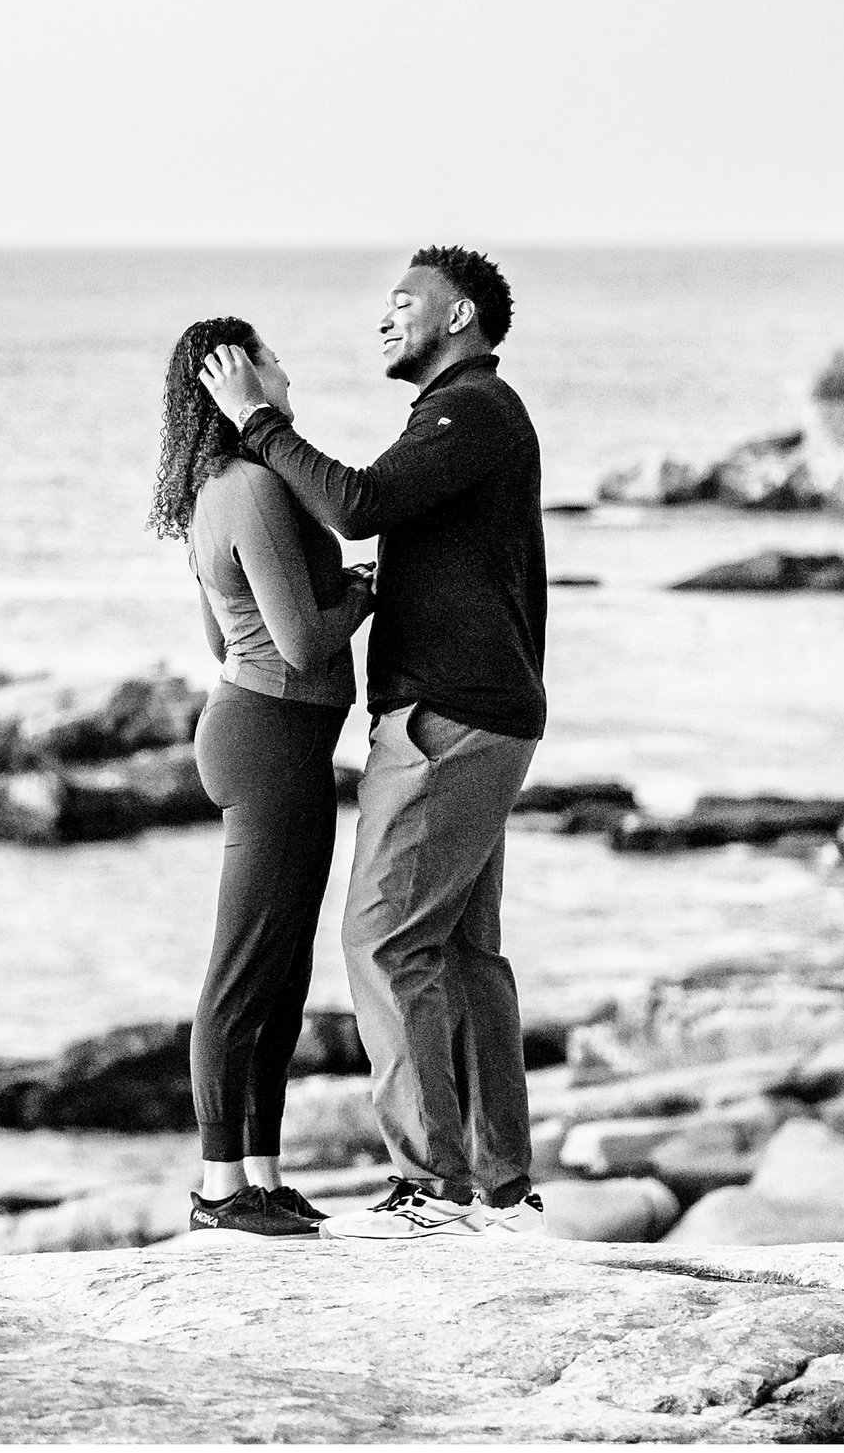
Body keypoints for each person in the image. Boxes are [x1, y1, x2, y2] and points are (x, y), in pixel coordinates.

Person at [198, 246, 547, 1241]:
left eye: (403, 304)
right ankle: (497, 1189)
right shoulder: (469, 414)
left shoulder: (470, 407)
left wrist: (255, 424)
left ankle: (432, 1189)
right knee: (460, 949)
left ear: (460, 315)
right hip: (486, 709)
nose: (383, 320)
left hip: (447, 717)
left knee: (383, 937)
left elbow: (355, 502)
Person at [150, 315, 374, 1238]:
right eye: (271, 355)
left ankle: (261, 1175)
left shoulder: (210, 492)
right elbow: (300, 640)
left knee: (281, 973)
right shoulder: (250, 487)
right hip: (272, 740)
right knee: (245, 972)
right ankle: (216, 1186)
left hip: (263, 732)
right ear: (237, 373)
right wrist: (364, 587)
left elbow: (218, 637)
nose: (287, 367)